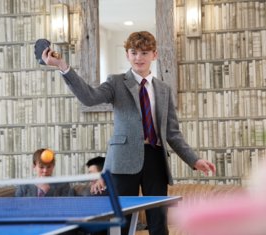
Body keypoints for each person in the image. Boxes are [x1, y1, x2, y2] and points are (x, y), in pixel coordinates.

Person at [42, 31, 216, 235]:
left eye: (144, 53)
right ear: (127, 55)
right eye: (133, 52)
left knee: (158, 221)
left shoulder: (163, 89)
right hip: (123, 161)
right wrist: (63, 67)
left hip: (155, 159)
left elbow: (172, 132)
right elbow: (89, 98)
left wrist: (194, 160)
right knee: (122, 221)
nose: (138, 58)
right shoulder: (116, 82)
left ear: (154, 55)